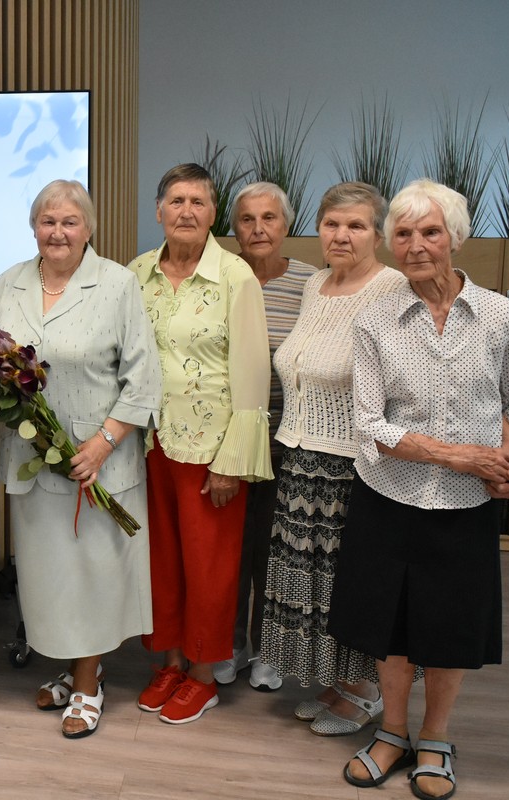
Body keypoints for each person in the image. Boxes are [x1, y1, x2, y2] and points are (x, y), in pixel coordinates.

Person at [332, 179, 509, 800]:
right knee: (391, 626)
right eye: (402, 234)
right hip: (388, 495)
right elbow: (369, 424)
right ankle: (392, 732)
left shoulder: (500, 316)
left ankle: (436, 738)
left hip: (466, 505)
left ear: (455, 237)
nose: (416, 245)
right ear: (390, 242)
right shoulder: (374, 318)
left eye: (430, 232)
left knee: (450, 626)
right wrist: (462, 456)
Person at [0, 180, 160, 739]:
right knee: (53, 579)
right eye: (48, 221)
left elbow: (144, 379)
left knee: (92, 577)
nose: (58, 232)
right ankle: (74, 668)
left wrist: (104, 441)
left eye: (69, 221)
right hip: (34, 459)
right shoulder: (8, 282)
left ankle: (89, 684)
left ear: (88, 228)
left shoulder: (117, 284)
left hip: (99, 462)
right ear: (33, 227)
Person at [259, 181, 409, 737]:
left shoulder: (392, 288)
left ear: (378, 234)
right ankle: (339, 680)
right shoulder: (315, 284)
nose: (342, 235)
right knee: (313, 583)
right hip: (299, 457)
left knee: (351, 583)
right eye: (332, 224)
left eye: (356, 226)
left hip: (354, 465)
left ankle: (367, 690)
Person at [128, 164, 273, 725]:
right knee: (161, 562)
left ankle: (205, 675)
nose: (186, 211)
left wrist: (232, 460)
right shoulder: (137, 273)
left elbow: (253, 376)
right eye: (176, 200)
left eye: (198, 201)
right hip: (148, 443)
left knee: (210, 569)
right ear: (158, 210)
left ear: (213, 214)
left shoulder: (235, 277)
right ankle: (170, 662)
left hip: (211, 451)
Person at [214, 182, 318, 692]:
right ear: (233, 227)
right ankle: (230, 644)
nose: (258, 229)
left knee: (276, 553)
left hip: (289, 441)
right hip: (226, 441)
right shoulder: (221, 275)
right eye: (247, 219)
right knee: (231, 550)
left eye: (269, 218)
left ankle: (269, 649)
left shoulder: (311, 283)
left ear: (286, 224)